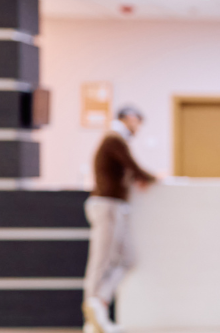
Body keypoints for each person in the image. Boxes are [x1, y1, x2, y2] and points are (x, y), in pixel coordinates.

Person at [82, 106, 156, 333]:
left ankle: (98, 303)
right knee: (101, 260)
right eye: (138, 123)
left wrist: (137, 178)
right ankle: (91, 313)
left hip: (117, 206)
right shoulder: (114, 139)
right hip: (107, 206)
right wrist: (153, 177)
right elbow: (133, 165)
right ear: (130, 118)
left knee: (128, 258)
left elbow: (126, 169)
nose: (138, 128)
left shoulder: (117, 141)